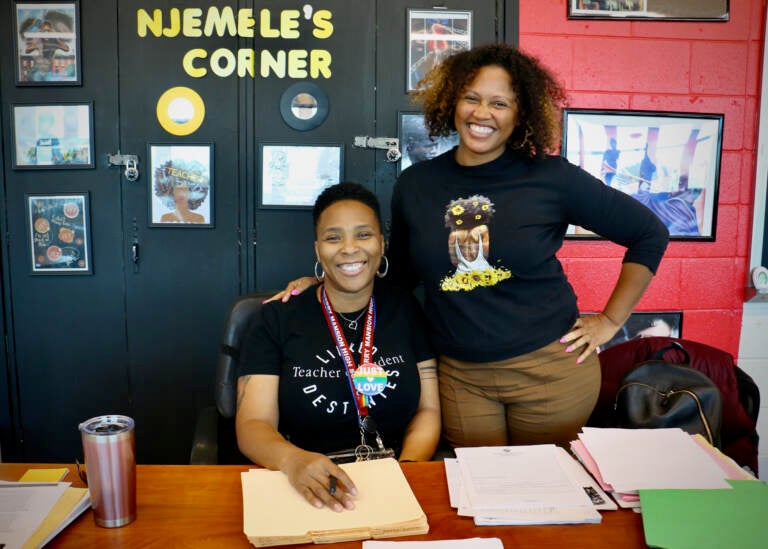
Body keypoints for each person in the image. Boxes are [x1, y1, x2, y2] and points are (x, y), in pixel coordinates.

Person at [272, 44, 669, 449]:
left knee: (543, 494)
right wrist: (327, 286)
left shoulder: (552, 178)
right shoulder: (417, 185)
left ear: (521, 114)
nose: (482, 113)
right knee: (480, 494)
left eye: (500, 103)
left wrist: (610, 320)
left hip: (550, 369)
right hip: (461, 378)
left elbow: (649, 234)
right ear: (452, 102)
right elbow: (403, 275)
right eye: (472, 98)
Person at [236, 182, 441, 512]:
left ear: (382, 244)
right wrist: (293, 462)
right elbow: (253, 424)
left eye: (363, 235)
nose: (349, 248)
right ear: (318, 250)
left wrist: (407, 470)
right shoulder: (277, 318)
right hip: (303, 485)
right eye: (334, 238)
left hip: (394, 479)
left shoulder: (405, 308)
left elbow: (428, 410)